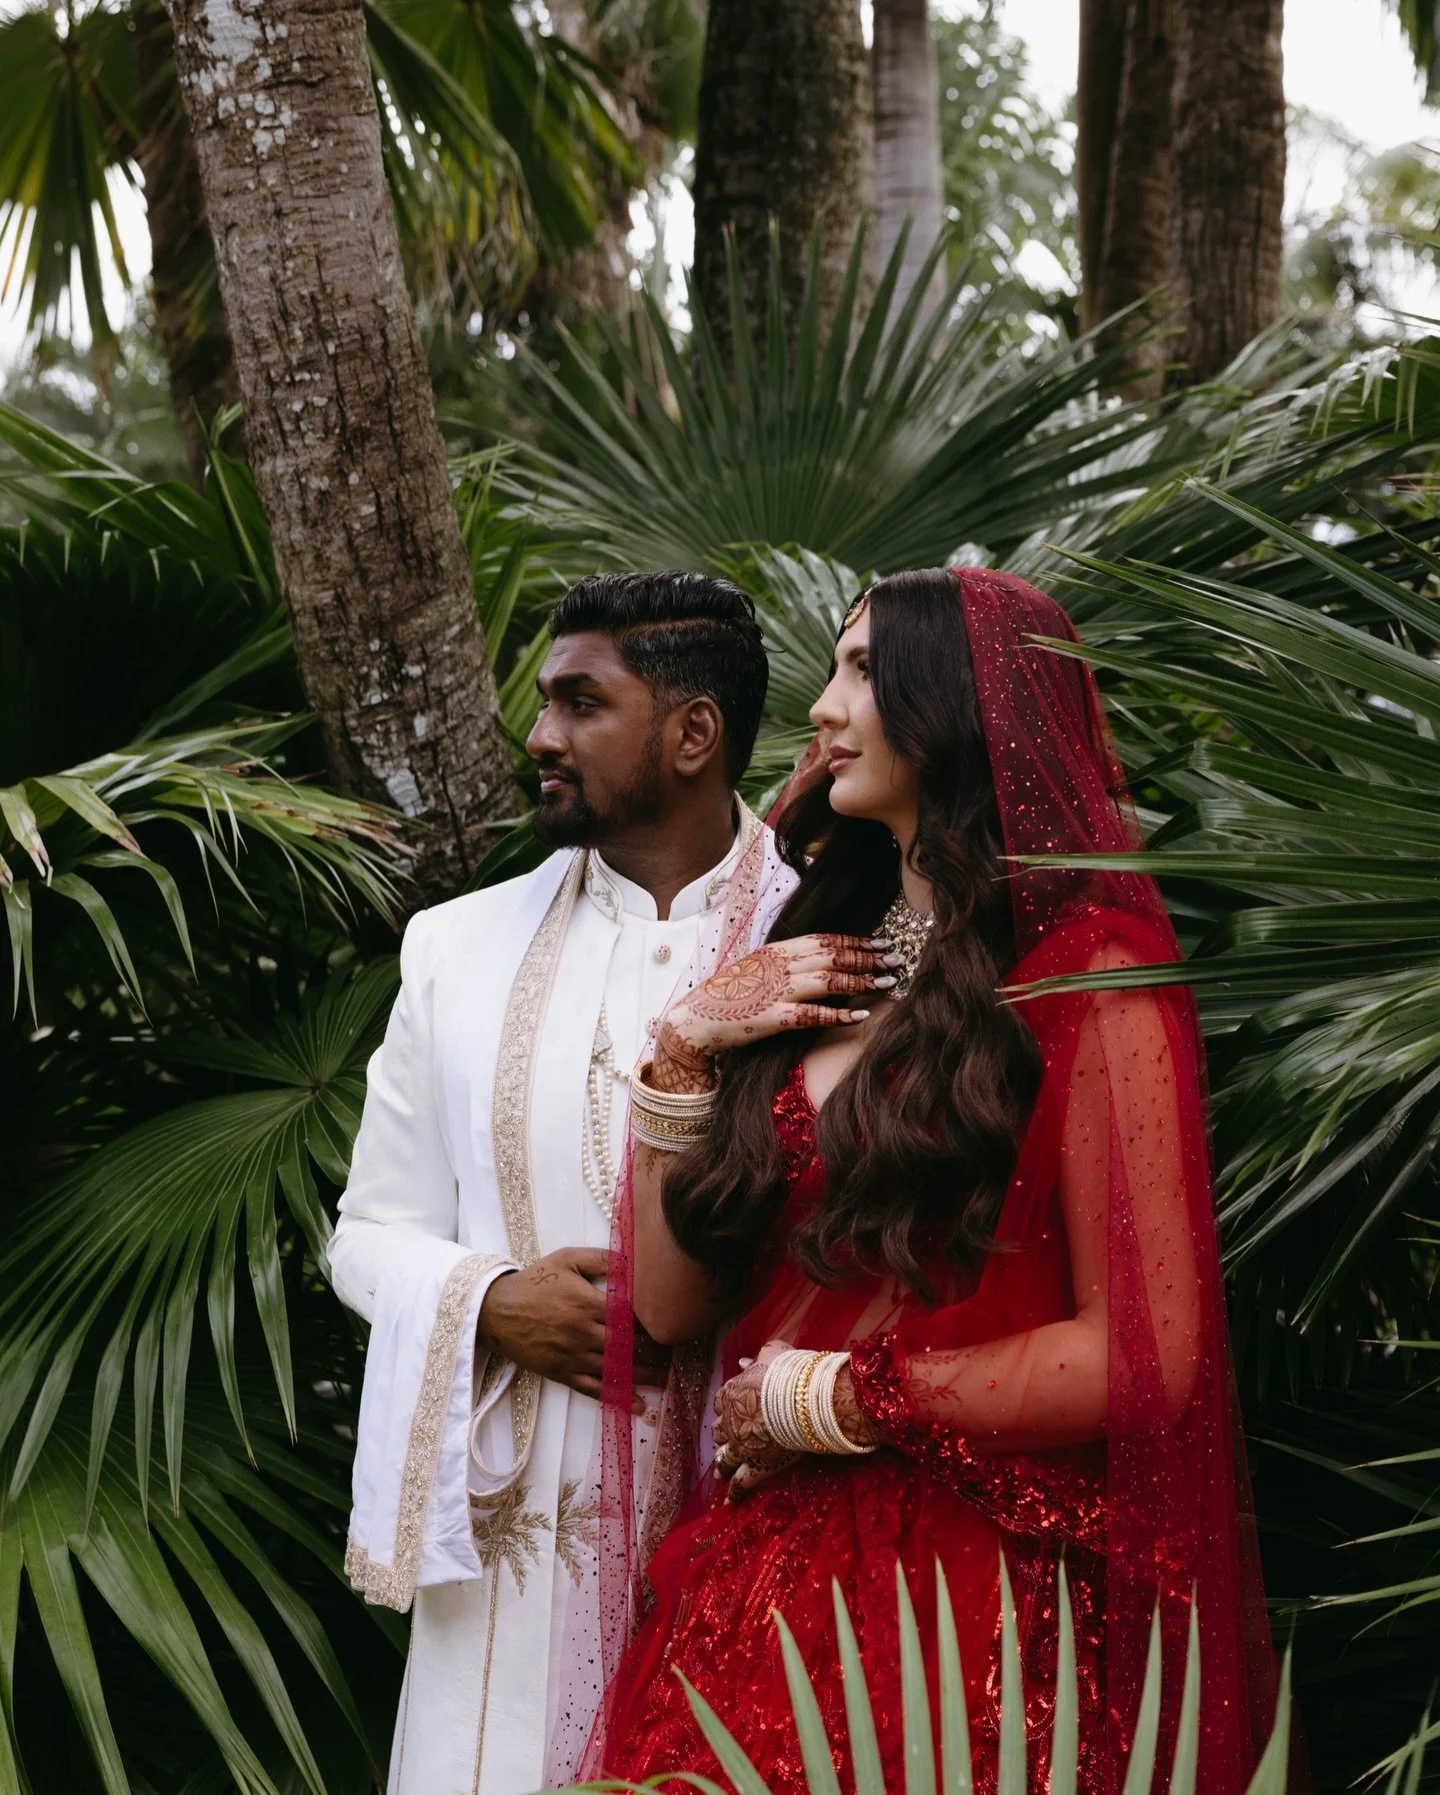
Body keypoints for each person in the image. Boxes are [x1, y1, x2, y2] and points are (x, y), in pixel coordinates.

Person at [572, 569, 1280, 1795]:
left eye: (860, 670)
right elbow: (676, 1308)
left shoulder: (1088, 980)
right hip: (754, 1594)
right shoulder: (813, 970)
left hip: (968, 1610)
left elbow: (1148, 1354)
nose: (825, 707)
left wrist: (843, 1397)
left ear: (956, 704)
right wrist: (681, 1054)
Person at [327, 572, 836, 1795]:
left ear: (692, 733)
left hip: (764, 1527)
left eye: (579, 702)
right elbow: (367, 1231)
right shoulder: (455, 949)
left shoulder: (830, 938)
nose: (539, 734)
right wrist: (492, 1299)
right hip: (506, 1578)